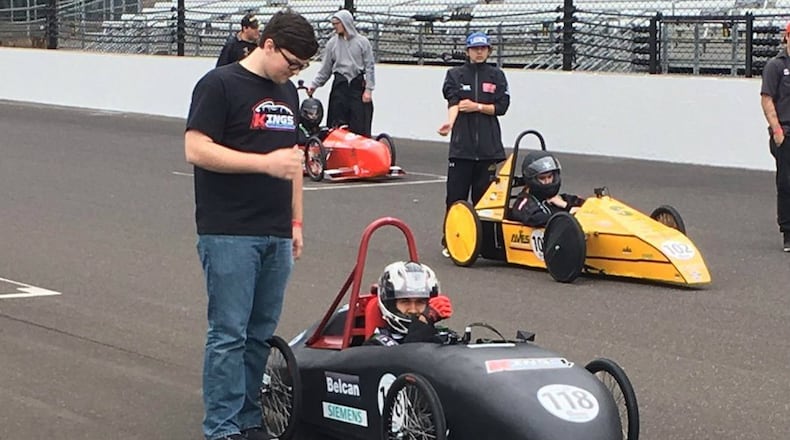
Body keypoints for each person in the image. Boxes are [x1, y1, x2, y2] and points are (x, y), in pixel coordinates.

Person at [184, 10, 318, 440]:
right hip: (229, 230)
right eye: (291, 63)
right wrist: (263, 163)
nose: (294, 73)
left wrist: (296, 221)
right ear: (269, 45)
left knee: (260, 334)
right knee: (229, 334)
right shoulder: (219, 84)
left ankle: (248, 418)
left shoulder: (288, 94)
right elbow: (196, 148)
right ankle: (221, 427)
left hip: (275, 231)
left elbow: (294, 162)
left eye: (302, 68)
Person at [437, 31, 510, 256]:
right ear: (468, 51)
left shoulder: (497, 75)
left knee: (484, 200)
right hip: (462, 149)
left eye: (483, 48)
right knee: (456, 197)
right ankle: (451, 240)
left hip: (488, 149)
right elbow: (454, 102)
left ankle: (483, 244)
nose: (479, 52)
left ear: (488, 51)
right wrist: (450, 122)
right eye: (475, 49)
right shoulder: (455, 75)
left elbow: (501, 107)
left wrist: (477, 107)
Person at [308, 9, 376, 136]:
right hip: (340, 85)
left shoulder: (362, 42)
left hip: (356, 84)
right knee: (336, 123)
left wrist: (368, 90)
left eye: (336, 24)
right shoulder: (332, 43)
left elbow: (369, 66)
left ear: (345, 23)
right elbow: (326, 69)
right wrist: (314, 85)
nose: (334, 27)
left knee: (359, 122)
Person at [366, 261, 453, 346]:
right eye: (405, 302)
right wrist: (423, 322)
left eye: (420, 302)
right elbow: (409, 355)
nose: (413, 310)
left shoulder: (438, 335)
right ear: (391, 305)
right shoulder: (376, 345)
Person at [759, 21, 790, 252]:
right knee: (786, 183)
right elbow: (767, 99)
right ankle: (788, 232)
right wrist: (777, 131)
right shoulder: (775, 66)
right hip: (786, 133)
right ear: (786, 38)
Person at [510, 151, 584, 227]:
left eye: (550, 177)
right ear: (532, 179)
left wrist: (565, 205)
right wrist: (569, 213)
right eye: (542, 178)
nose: (547, 181)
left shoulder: (560, 199)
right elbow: (536, 218)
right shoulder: (523, 203)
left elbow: (591, 207)